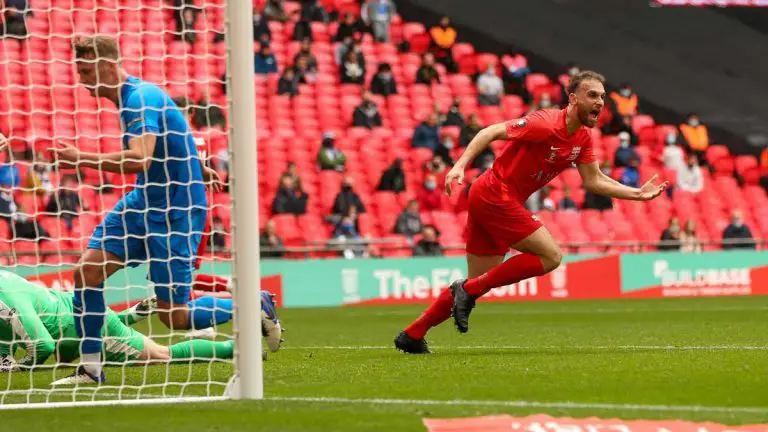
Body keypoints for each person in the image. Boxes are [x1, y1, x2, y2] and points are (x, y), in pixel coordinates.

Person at [394, 71, 668, 354]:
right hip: (494, 194)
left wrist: (637, 193)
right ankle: (468, 292)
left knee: (478, 281)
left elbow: (593, 180)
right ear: (573, 99)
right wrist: (460, 165)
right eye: (592, 95)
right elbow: (489, 131)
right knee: (550, 256)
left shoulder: (583, 138)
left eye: (602, 96)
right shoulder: (546, 123)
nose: (600, 102)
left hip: (492, 199)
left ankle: (413, 335)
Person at [47, 36, 232, 383]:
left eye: (86, 70)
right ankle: (91, 367)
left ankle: (253, 304)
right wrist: (195, 164)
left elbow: (139, 158)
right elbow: (175, 133)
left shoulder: (137, 100)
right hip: (141, 203)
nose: (82, 79)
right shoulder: (135, 99)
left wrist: (79, 158)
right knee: (87, 272)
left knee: (173, 318)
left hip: (173, 212)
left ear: (106, 64)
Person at [0, 271, 283, 377]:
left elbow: (43, 346)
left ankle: (241, 330)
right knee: (172, 310)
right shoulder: (6, 280)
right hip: (79, 323)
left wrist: (20, 367)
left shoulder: (6, 296)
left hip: (89, 330)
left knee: (162, 352)